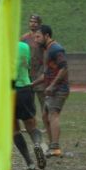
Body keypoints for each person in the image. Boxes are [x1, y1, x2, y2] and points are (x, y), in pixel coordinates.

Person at [31, 25, 69, 158]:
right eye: (35, 37)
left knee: (53, 114)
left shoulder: (56, 49)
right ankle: (52, 144)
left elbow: (63, 68)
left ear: (47, 36)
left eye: (38, 37)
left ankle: (55, 148)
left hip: (59, 89)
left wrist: (52, 85)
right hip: (52, 88)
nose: (35, 40)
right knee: (45, 116)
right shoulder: (47, 50)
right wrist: (33, 83)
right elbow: (46, 74)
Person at [13, 41, 46, 170]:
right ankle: (37, 144)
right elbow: (28, 65)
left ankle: (29, 162)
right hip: (25, 89)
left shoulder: (0, 48)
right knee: (31, 126)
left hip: (8, 92)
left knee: (14, 130)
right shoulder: (24, 46)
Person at [20, 14, 46, 116]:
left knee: (43, 99)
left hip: (40, 71)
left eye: (35, 22)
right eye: (31, 21)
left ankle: (46, 123)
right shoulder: (24, 38)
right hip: (27, 72)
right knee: (28, 100)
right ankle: (31, 123)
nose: (33, 24)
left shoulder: (42, 38)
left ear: (39, 24)